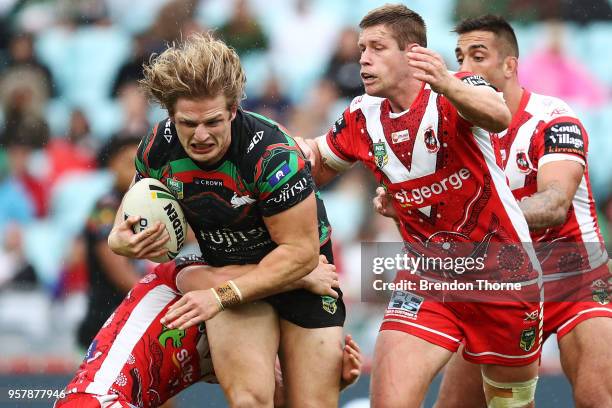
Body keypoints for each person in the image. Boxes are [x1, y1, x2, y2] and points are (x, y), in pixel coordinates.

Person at [297, 4, 544, 408]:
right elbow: (315, 166)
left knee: (510, 405)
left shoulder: (458, 88)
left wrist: (447, 82)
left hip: (503, 277)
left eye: (378, 47)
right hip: (427, 278)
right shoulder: (361, 116)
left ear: (413, 54)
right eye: (362, 48)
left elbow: (499, 115)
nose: (363, 57)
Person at [107, 33, 345, 407]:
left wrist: (221, 294)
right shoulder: (157, 148)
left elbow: (301, 255)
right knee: (251, 400)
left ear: (233, 110)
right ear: (171, 116)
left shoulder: (271, 154)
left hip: (298, 279)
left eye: (214, 122)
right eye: (188, 123)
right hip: (230, 279)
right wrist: (119, 242)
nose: (200, 135)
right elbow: (141, 226)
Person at [425, 15, 611, 408]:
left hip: (574, 275)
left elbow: (555, 203)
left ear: (510, 65)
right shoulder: (455, 131)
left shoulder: (553, 118)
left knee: (597, 398)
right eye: (460, 58)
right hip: (502, 285)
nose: (466, 70)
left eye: (479, 56)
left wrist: (493, 218)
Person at [55, 256, 361, 408]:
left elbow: (275, 399)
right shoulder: (190, 272)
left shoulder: (242, 337)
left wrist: (333, 383)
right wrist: (299, 276)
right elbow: (224, 280)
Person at [77, 134, 144, 351]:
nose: (137, 172)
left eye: (141, 164)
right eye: (128, 164)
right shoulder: (105, 210)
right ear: (112, 165)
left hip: (129, 320)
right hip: (104, 325)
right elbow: (120, 273)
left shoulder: (146, 205)